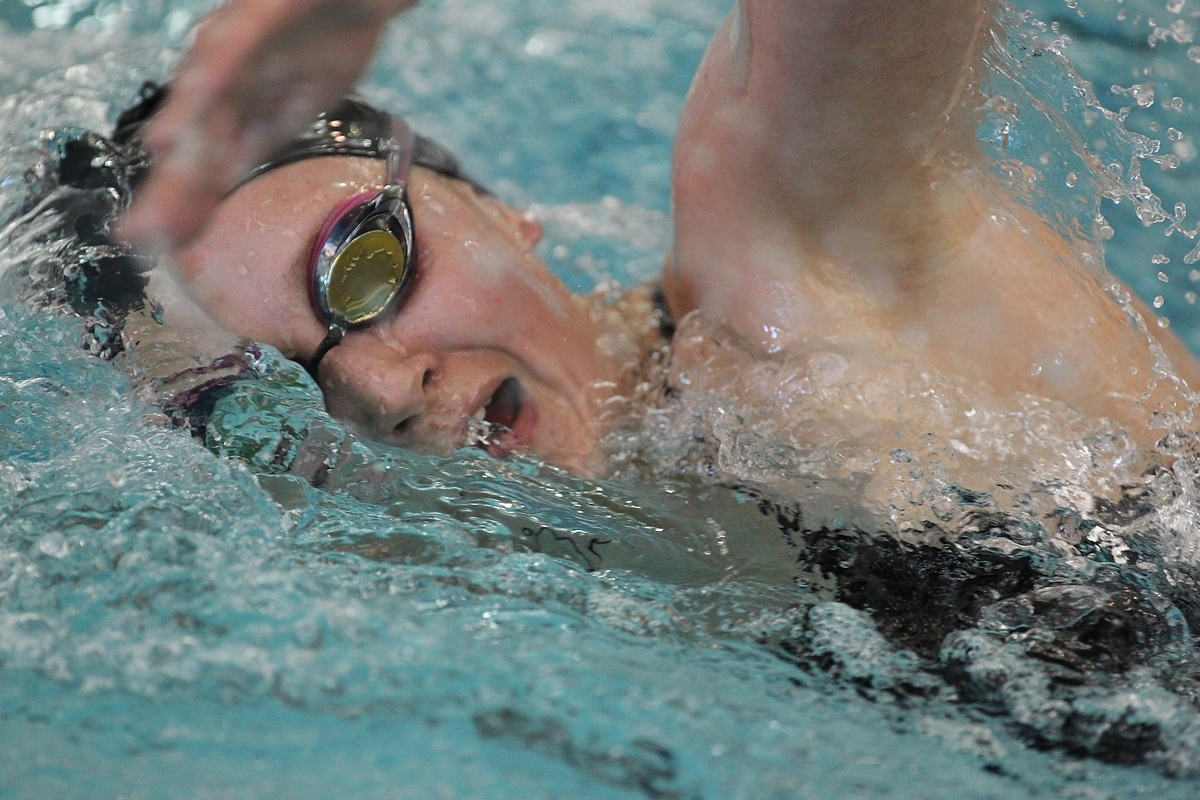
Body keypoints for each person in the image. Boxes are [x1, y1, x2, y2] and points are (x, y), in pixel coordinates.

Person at [110, 0, 1200, 486]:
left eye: (361, 264)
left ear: (503, 210)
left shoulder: (785, 265)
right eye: (266, 395)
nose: (380, 389)